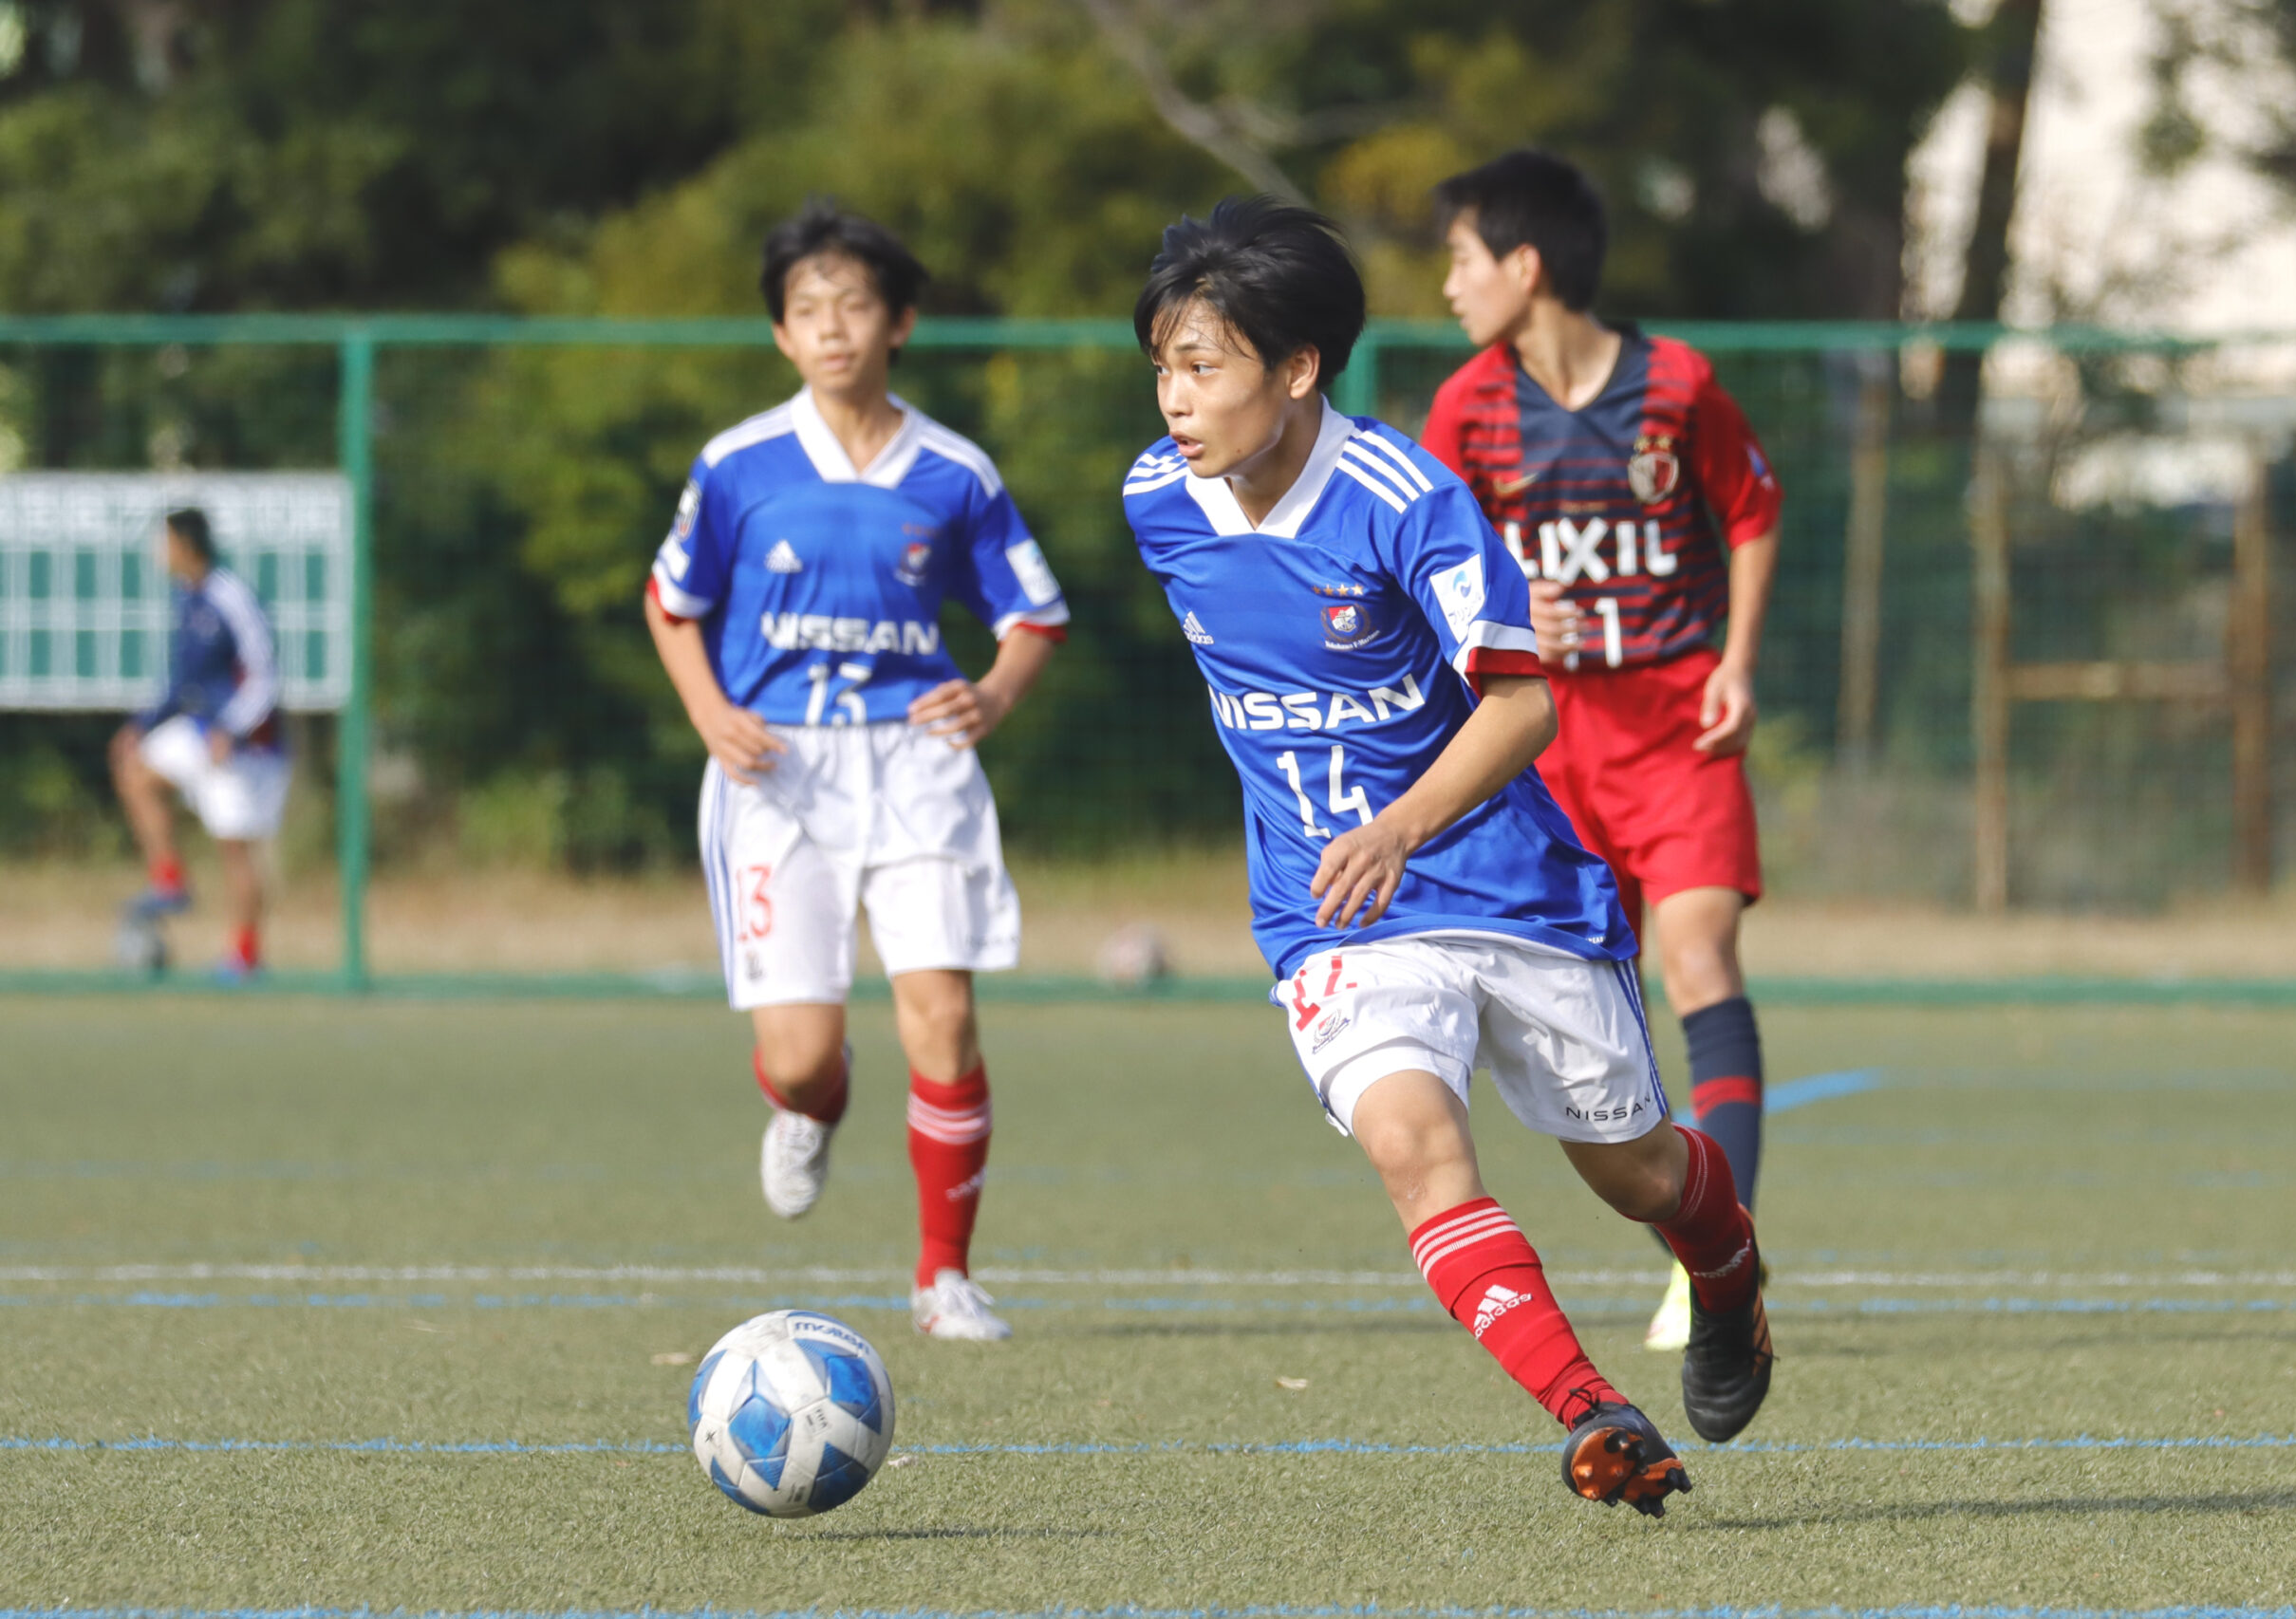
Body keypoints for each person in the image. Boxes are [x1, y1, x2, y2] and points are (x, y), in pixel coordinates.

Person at [1121, 196, 1772, 1512]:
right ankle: (1593, 1410)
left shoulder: (1405, 501)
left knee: (1639, 1170)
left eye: (1202, 367)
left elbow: (1525, 701)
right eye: (1162, 369)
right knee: (1417, 1147)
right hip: (1332, 915)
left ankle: (1729, 1273)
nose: (1174, 402)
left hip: (1503, 884)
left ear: (1297, 368)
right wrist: (1346, 842)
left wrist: (1402, 821)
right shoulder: (1157, 501)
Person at [644, 201, 1067, 1341]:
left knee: (943, 1017)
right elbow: (671, 601)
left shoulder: (954, 471)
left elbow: (1032, 614)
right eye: (806, 310)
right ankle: (805, 1106)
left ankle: (943, 1278)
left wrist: (992, 691)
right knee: (803, 1055)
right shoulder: (739, 465)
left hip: (917, 764)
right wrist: (709, 710)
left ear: (899, 323)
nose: (831, 327)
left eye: (854, 305)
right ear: (782, 336)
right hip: (776, 771)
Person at [1421, 151, 1783, 1351]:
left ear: (1525, 266)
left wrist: (1734, 658)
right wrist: (1509, 614)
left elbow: (1750, 505)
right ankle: (1702, 1231)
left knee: (1697, 954)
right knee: (1588, 1021)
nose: (1447, 284)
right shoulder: (1466, 407)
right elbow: (1427, 562)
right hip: (1545, 754)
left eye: (1462, 258)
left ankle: (1714, 1269)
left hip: (1678, 729)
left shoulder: (1677, 384)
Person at [110, 507, 289, 979]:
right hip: (199, 732)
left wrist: (233, 729)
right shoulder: (185, 599)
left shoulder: (230, 596)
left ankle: (246, 957)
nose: (157, 551)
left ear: (185, 545)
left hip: (244, 745)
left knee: (236, 850)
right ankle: (169, 878)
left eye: (163, 540)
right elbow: (183, 680)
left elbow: (265, 676)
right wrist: (142, 724)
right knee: (135, 769)